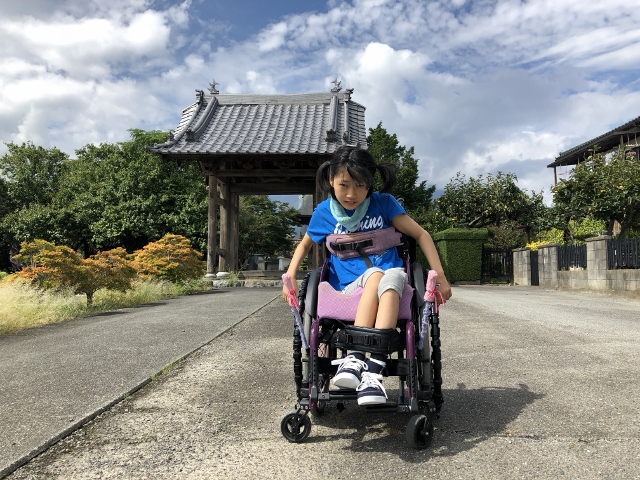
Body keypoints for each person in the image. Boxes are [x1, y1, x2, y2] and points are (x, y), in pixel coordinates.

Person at [282, 145, 452, 406]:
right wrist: (291, 276)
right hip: (348, 285)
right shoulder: (324, 213)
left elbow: (421, 234)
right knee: (375, 275)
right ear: (331, 180)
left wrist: (439, 275)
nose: (352, 194)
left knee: (389, 279)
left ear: (370, 183)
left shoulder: (384, 204)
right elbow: (304, 245)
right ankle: (359, 358)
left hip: (391, 277)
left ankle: (371, 369)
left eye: (360, 186)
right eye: (344, 185)